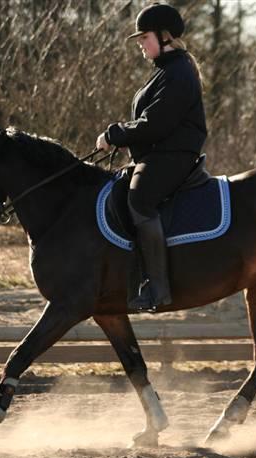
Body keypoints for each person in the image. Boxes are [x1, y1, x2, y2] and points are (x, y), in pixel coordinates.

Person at [96, 3, 207, 312]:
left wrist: (115, 134)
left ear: (164, 36)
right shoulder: (167, 71)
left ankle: (157, 287)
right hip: (159, 155)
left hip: (173, 156)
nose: (140, 45)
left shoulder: (178, 72)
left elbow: (156, 123)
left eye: (144, 38)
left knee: (140, 197)